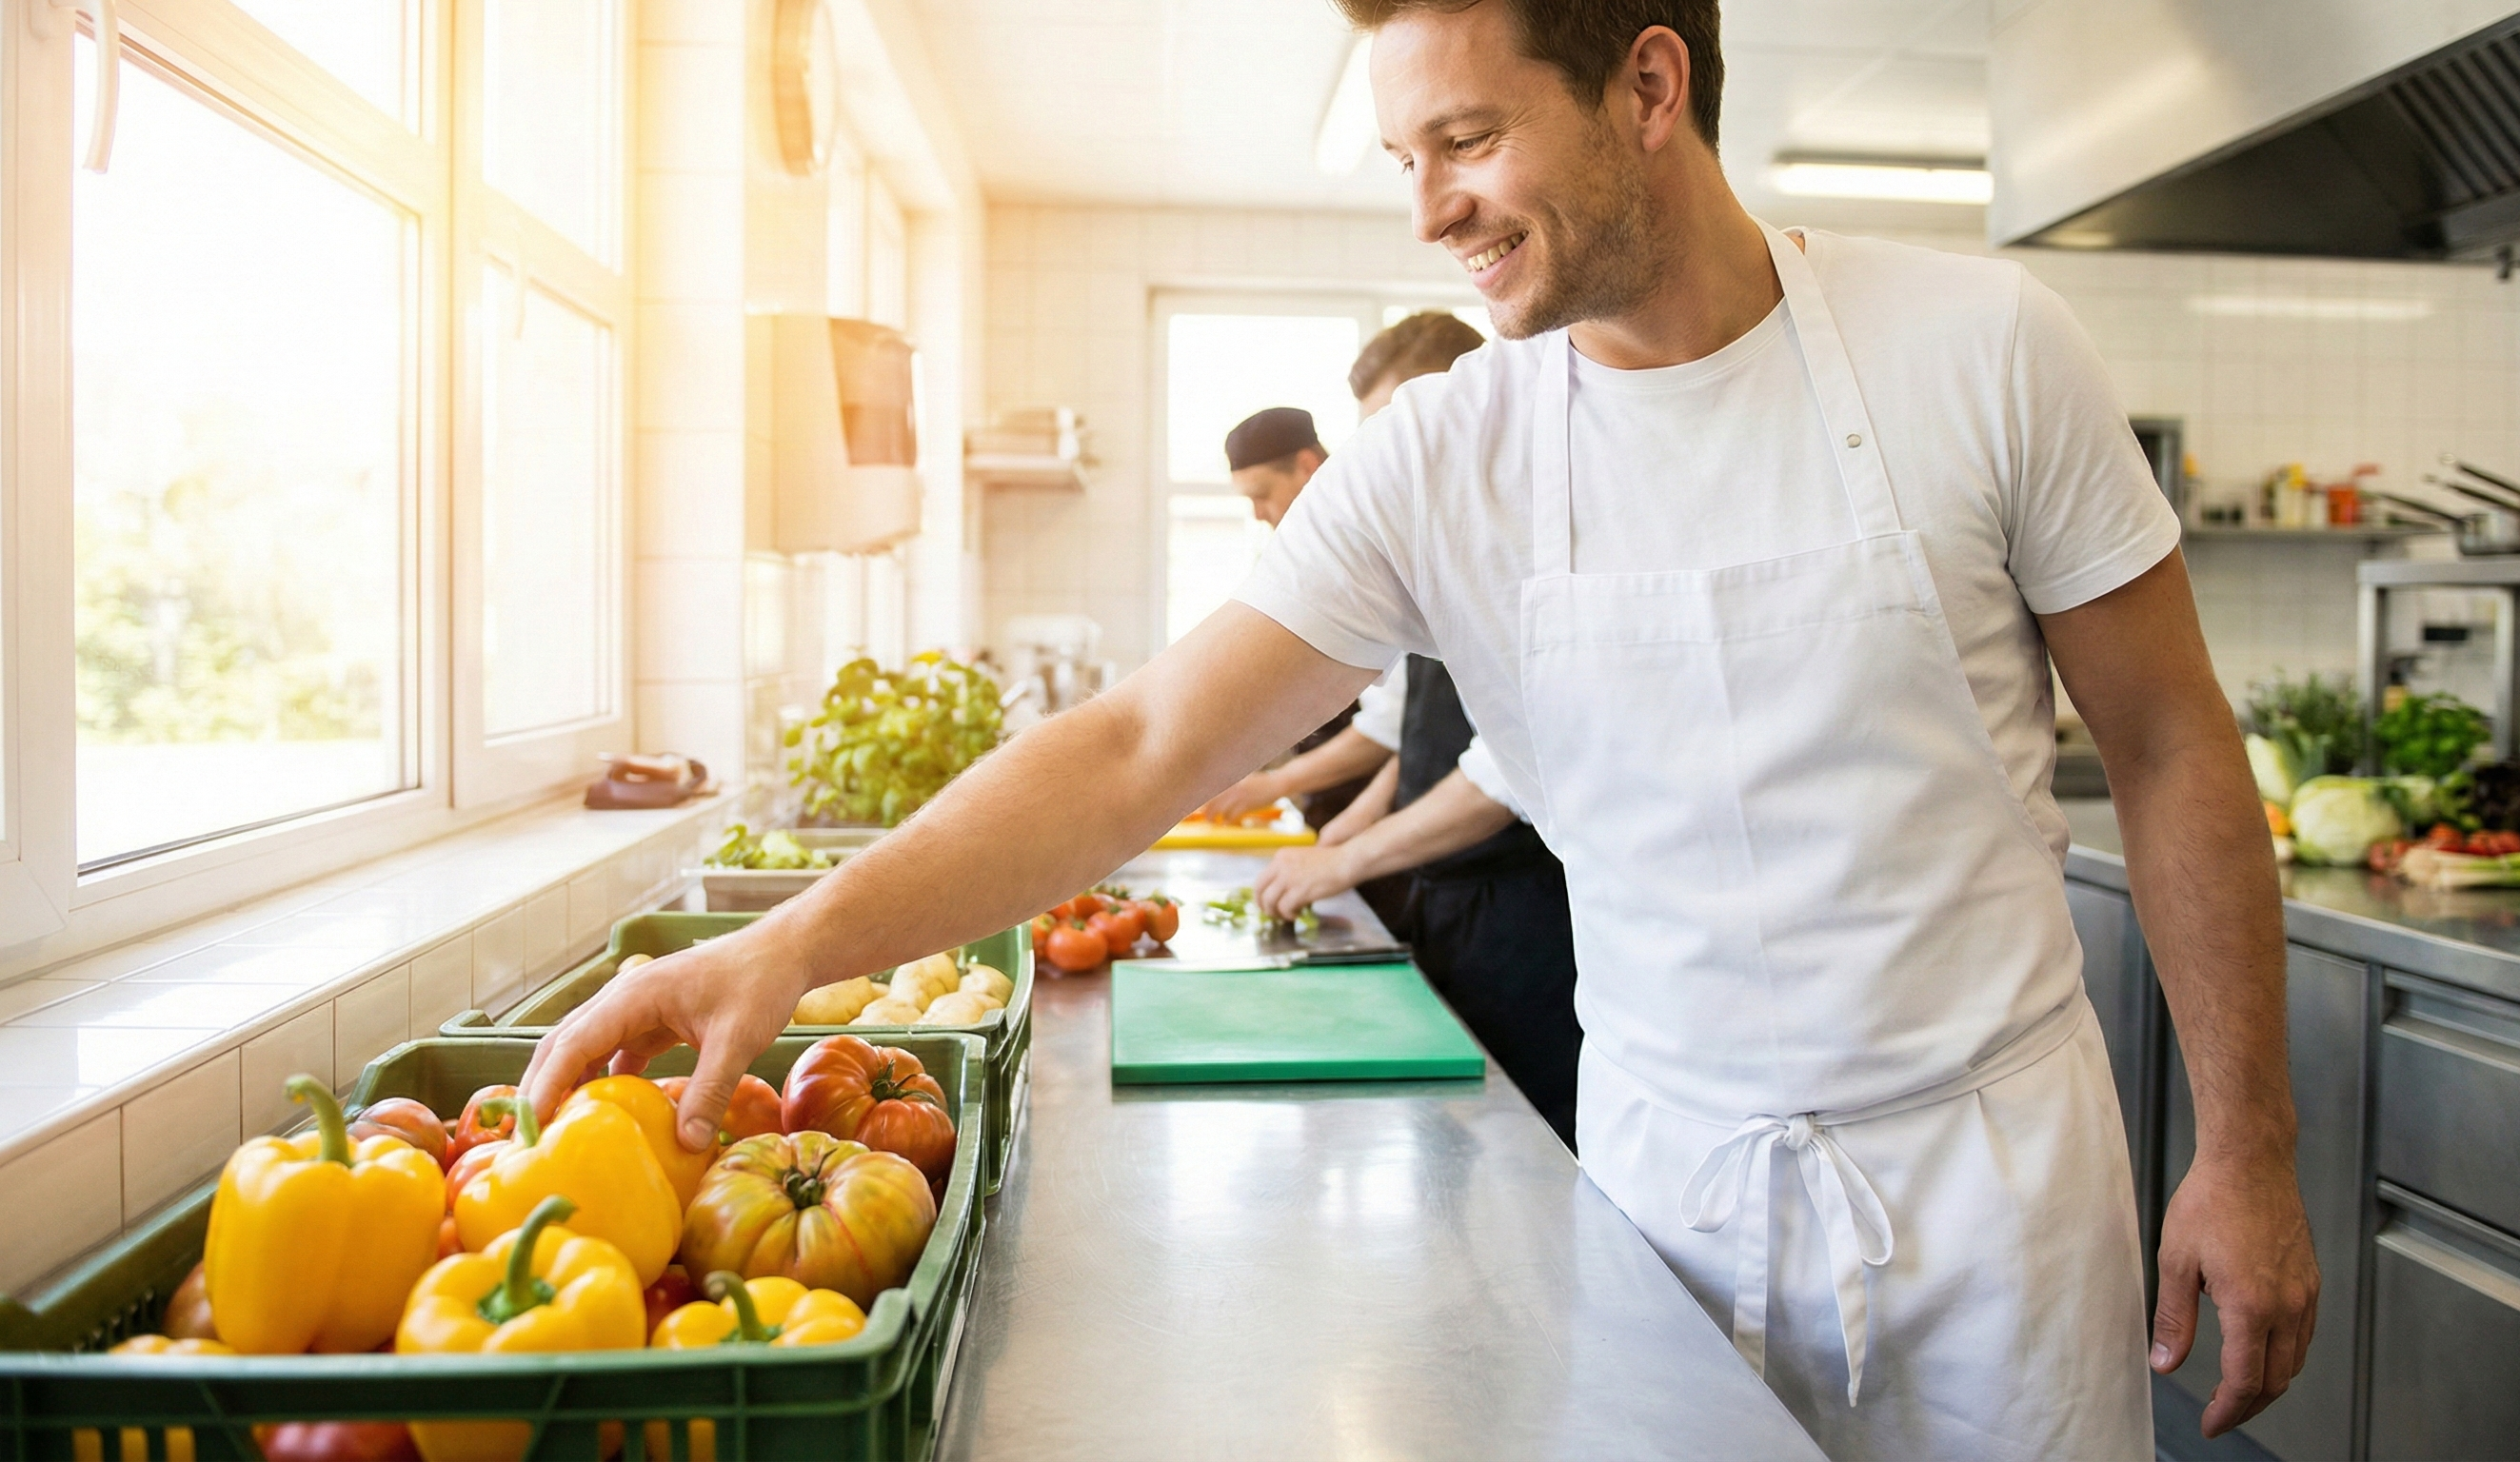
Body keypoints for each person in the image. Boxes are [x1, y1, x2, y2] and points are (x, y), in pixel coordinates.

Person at [526, 4, 2317, 1457]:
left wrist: (2240, 1151)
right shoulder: (1443, 456)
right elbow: (1149, 740)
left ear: (1646, 86)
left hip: (1993, 1189)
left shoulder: (1980, 347)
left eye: (1463, 142)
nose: (1427, 209)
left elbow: (2168, 749)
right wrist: (793, 940)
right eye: (1404, 158)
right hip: (1667, 1189)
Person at [1255, 310, 1584, 1151]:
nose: (1394, 460)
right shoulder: (1436, 540)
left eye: (1409, 428)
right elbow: (1410, 732)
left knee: (1529, 1160)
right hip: (1443, 893)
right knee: (1455, 1155)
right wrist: (1339, 842)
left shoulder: (1545, 537)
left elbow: (1502, 771)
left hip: (1526, 910)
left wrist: (1346, 854)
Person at [1218, 406, 1378, 828]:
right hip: (1336, 808)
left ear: (1307, 467)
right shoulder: (1308, 556)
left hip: (1384, 813)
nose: (1257, 513)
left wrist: (1275, 784)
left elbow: (1392, 725)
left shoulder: (1368, 545)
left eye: (1263, 493)